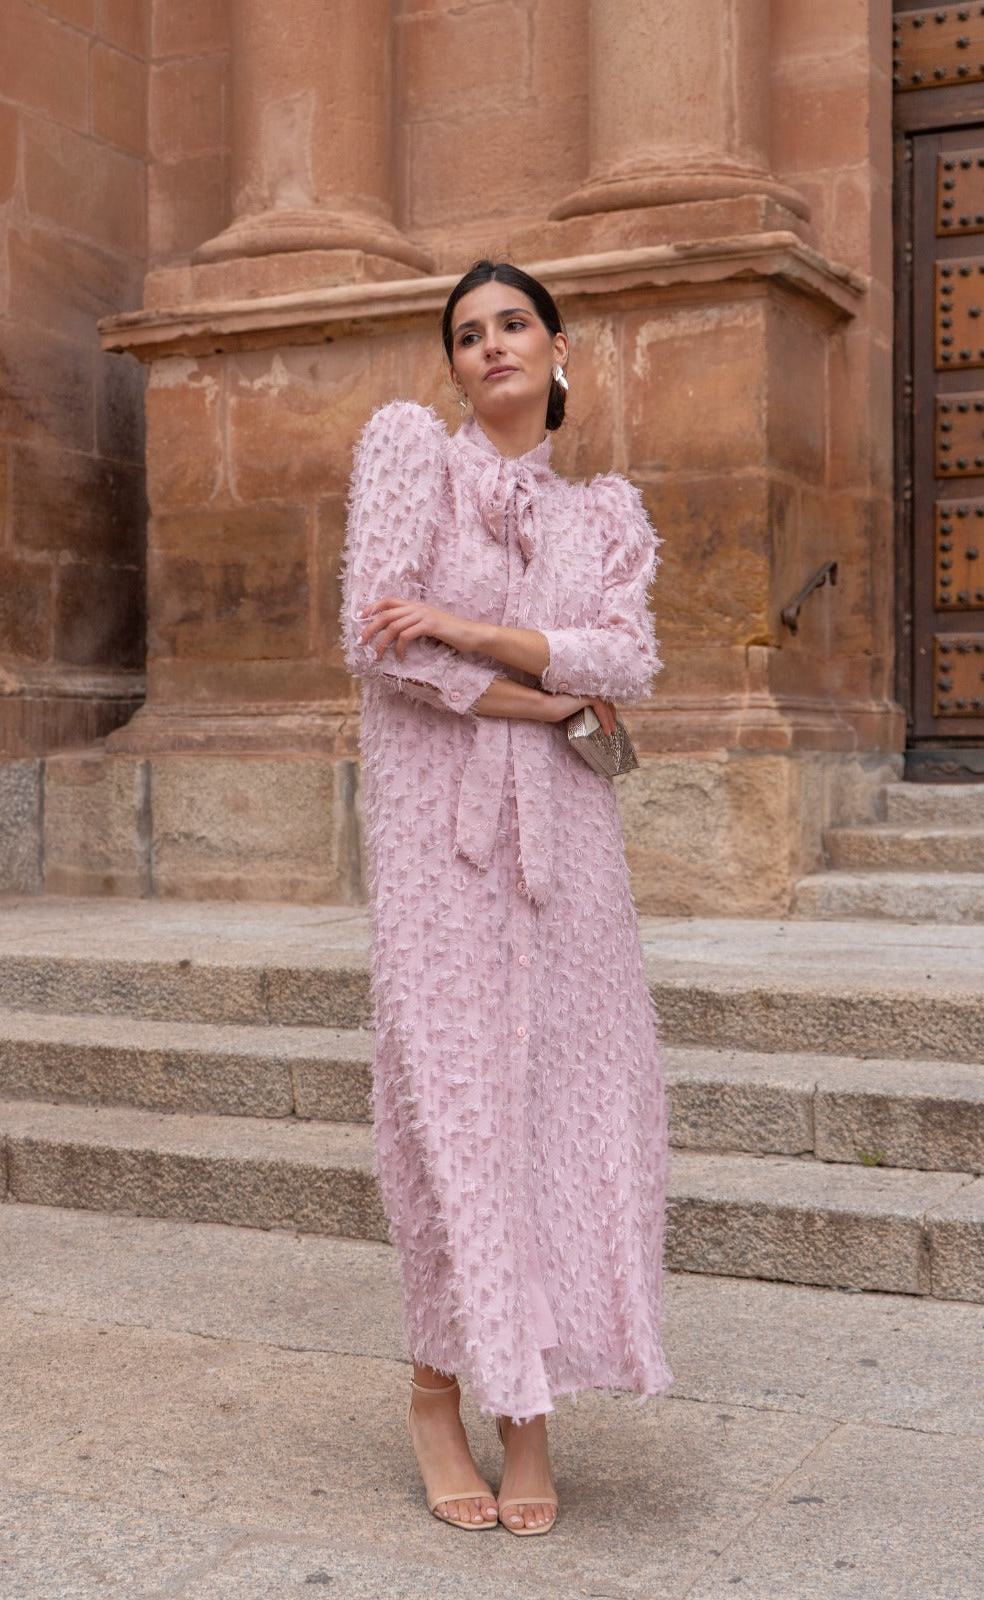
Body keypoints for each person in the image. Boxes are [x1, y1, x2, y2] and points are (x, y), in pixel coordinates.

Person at [340, 259, 671, 1537]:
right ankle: (437, 1393)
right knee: (449, 1107)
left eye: (513, 323)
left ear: (557, 345)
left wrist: (477, 635)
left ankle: (529, 1414)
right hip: (441, 839)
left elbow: (627, 658)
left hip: (571, 847)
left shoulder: (606, 513)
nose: (490, 345)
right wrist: (538, 695)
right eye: (467, 332)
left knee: (567, 1111)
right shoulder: (408, 456)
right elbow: (377, 638)